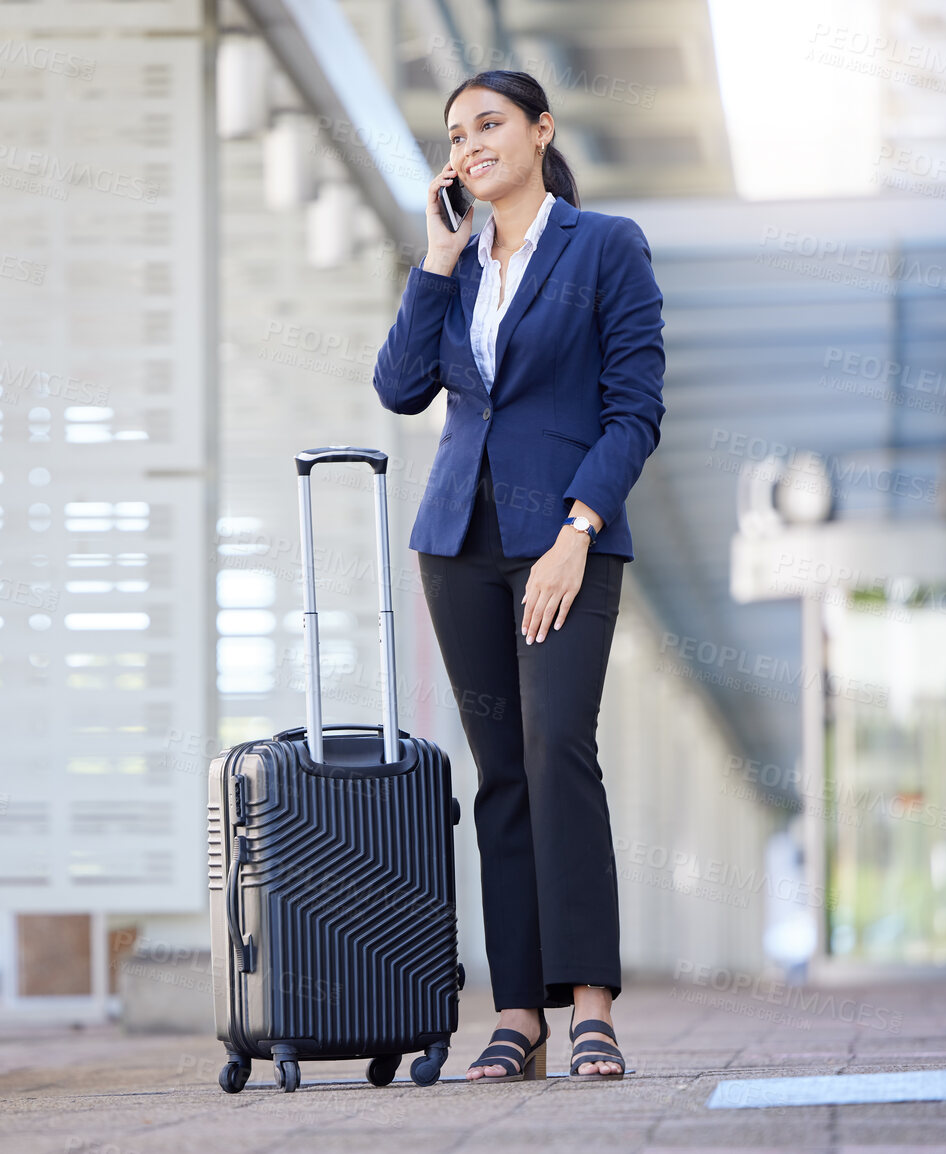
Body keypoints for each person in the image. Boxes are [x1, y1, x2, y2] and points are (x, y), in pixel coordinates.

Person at [371, 69, 665, 1082]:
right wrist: (437, 258)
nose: (471, 144)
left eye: (489, 124)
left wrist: (581, 527)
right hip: (458, 542)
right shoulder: (457, 263)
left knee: (555, 747)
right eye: (457, 134)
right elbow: (401, 387)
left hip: (566, 537)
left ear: (542, 131)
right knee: (499, 770)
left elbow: (635, 408)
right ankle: (517, 1012)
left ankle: (589, 1004)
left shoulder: (605, 246)